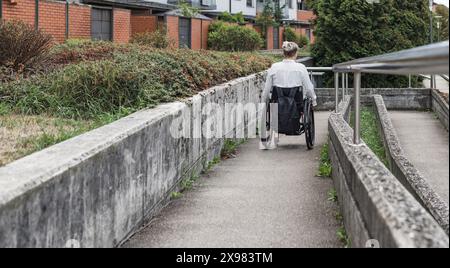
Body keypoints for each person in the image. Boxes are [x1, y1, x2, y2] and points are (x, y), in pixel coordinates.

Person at [260, 41, 317, 150]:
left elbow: (267, 89)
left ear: (283, 53)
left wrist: (264, 100)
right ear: (295, 53)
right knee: (303, 99)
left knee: (273, 100)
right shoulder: (301, 67)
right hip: (297, 103)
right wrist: (313, 100)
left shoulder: (274, 67)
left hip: (277, 102)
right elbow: (309, 88)